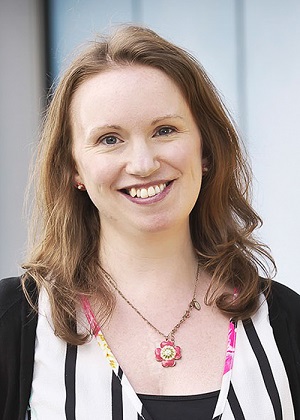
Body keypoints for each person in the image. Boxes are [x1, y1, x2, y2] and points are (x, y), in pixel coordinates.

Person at [0, 25, 299, 420]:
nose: (143, 164)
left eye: (165, 130)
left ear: (205, 150)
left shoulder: (285, 320)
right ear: (74, 167)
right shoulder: (14, 322)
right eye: (109, 139)